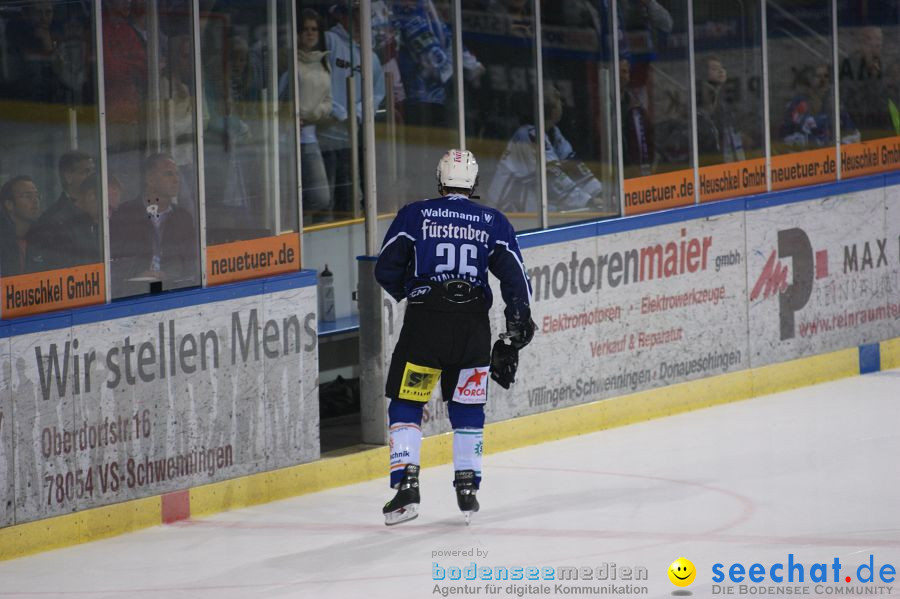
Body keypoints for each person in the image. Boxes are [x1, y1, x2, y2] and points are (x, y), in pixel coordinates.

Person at [374, 149, 535, 525]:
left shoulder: (415, 214)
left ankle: (406, 484)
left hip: (425, 324)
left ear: (439, 179)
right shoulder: (492, 221)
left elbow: (385, 268)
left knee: (407, 401)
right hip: (472, 328)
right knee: (467, 404)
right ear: (475, 183)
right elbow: (516, 279)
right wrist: (515, 329)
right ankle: (467, 487)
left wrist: (411, 292)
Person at [488, 85, 604, 212]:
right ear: (551, 110)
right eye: (557, 98)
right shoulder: (526, 136)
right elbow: (551, 179)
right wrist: (587, 200)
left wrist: (599, 192)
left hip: (528, 208)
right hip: (504, 211)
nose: (562, 102)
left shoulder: (553, 132)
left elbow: (573, 166)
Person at [320, 1, 386, 216]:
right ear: (341, 16)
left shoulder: (371, 56)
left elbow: (377, 93)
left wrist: (357, 113)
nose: (359, 22)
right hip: (326, 134)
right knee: (324, 193)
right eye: (354, 15)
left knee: (348, 193)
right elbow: (319, 81)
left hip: (354, 136)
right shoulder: (329, 41)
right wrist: (340, 113)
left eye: (362, 16)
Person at [109, 153, 198, 296]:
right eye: (168, 174)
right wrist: (137, 276)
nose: (176, 179)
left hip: (173, 291)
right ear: (150, 179)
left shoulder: (183, 218)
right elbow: (112, 262)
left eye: (176, 174)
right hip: (132, 294)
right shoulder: (124, 215)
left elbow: (191, 262)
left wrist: (170, 276)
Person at [28, 172, 101, 270]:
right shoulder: (57, 223)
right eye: (108, 208)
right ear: (91, 196)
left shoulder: (93, 222)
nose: (108, 215)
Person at [696, 56, 745, 165]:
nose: (719, 71)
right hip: (712, 158)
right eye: (714, 69)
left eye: (720, 68)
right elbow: (711, 113)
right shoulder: (704, 90)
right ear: (705, 73)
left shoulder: (724, 95)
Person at [0, 176, 42, 276]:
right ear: (9, 204)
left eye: (37, 195)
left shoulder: (43, 238)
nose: (35, 200)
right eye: (27, 196)